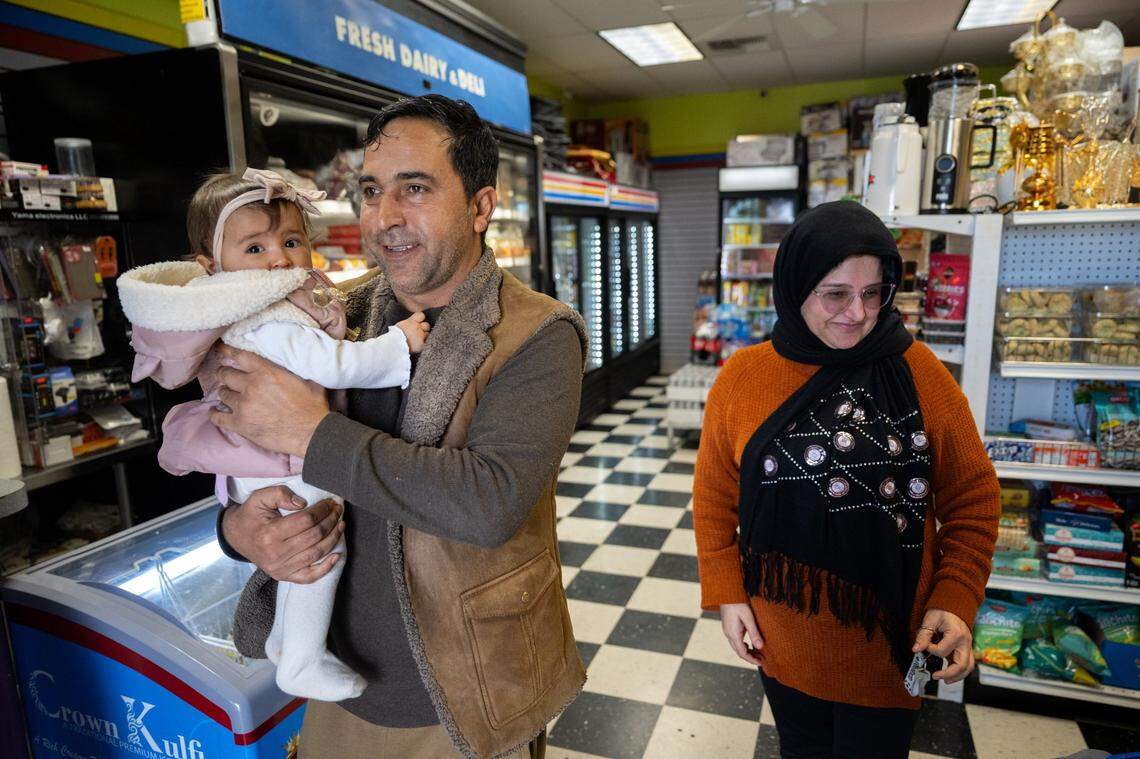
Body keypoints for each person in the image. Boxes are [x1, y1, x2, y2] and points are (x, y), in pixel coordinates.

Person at [212, 95, 586, 758]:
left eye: (414, 189)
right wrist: (239, 531)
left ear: (480, 206)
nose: (384, 218)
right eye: (370, 191)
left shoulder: (537, 332)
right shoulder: (330, 312)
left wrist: (310, 432)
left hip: (463, 698)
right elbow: (245, 450)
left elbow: (489, 500)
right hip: (337, 683)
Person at [693, 201, 999, 758]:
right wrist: (726, 592)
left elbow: (974, 498)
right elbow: (714, 496)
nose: (857, 313)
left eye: (873, 292)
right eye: (835, 293)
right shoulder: (743, 378)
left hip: (887, 645)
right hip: (781, 637)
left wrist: (956, 598)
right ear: (795, 287)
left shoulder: (920, 373)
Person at [120, 168, 430, 702]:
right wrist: (398, 344)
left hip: (256, 461)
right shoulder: (265, 314)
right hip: (280, 458)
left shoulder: (249, 305)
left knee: (299, 553)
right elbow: (333, 365)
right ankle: (304, 660)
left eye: (290, 242)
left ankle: (289, 641)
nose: (280, 260)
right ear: (210, 266)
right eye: (255, 248)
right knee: (319, 549)